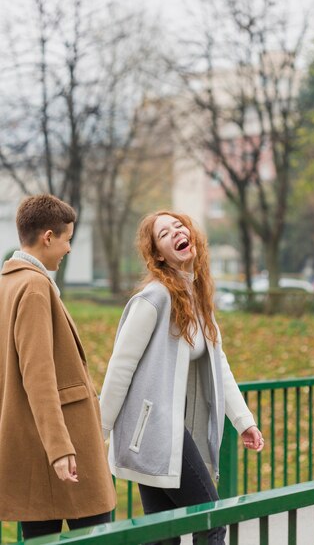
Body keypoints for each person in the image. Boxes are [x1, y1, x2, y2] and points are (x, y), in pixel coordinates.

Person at [100, 210, 264, 545]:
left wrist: (243, 421)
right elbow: (120, 369)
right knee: (211, 519)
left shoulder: (197, 298)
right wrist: (97, 434)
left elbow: (218, 362)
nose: (176, 231)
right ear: (158, 253)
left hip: (172, 432)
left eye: (179, 225)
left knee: (164, 534)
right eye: (164, 232)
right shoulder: (155, 298)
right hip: (153, 434)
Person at [0, 194, 116, 540]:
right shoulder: (34, 287)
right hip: (62, 443)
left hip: (31, 440)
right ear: (48, 236)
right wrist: (61, 448)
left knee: (40, 533)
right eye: (67, 240)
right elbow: (38, 374)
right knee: (97, 532)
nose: (68, 249)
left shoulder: (8, 283)